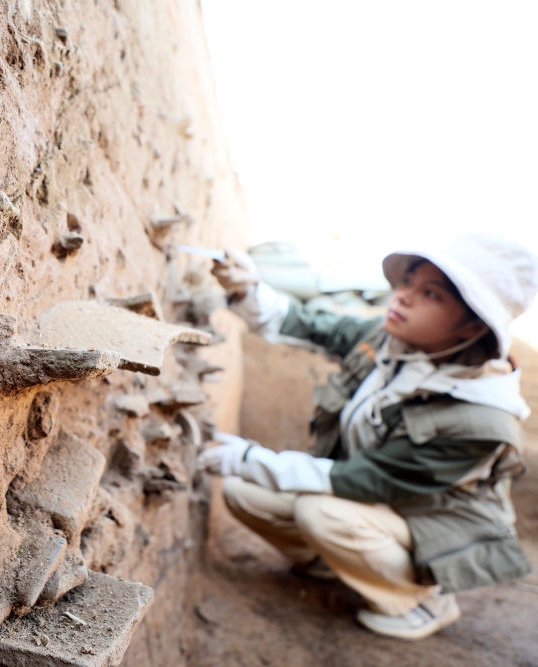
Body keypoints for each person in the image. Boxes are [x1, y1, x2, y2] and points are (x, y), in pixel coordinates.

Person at [201, 234, 538, 640]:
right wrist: (247, 289)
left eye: (431, 293)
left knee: (317, 512)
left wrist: (248, 457)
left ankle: (418, 600)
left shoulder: (478, 418)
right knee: (243, 492)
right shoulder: (394, 341)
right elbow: (307, 325)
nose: (403, 297)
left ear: (473, 325)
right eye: (409, 281)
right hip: (374, 506)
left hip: (427, 523)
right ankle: (341, 565)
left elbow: (362, 479)